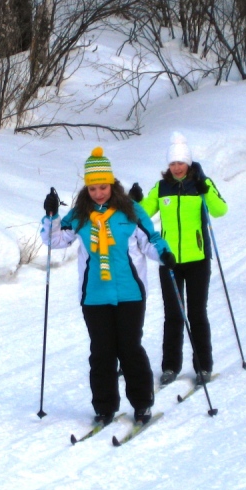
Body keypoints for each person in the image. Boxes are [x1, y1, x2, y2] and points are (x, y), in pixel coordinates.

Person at [41, 147, 174, 427]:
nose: (98, 193)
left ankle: (142, 404)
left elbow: (151, 240)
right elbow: (56, 241)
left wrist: (164, 254)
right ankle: (104, 407)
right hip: (94, 295)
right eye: (92, 188)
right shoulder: (81, 214)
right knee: (101, 352)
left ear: (112, 184)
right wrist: (52, 215)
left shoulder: (131, 211)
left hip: (130, 292)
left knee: (130, 349)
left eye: (102, 187)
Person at [129, 132, 228, 387]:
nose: (177, 167)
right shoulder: (162, 188)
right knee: (173, 314)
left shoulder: (201, 185)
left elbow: (220, 210)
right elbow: (142, 213)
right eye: (173, 163)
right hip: (169, 259)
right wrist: (135, 200)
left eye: (181, 163)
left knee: (196, 313)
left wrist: (207, 188)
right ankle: (170, 366)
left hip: (198, 258)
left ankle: (203, 366)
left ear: (188, 163)